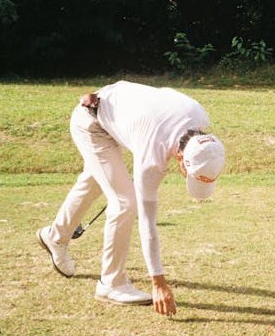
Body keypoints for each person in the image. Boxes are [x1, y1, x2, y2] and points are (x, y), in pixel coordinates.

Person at [36, 80, 225, 317]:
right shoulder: (153, 155)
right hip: (91, 122)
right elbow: (148, 224)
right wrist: (158, 282)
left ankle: (55, 236)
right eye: (191, 175)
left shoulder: (199, 115)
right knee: (125, 202)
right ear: (180, 158)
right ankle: (111, 283)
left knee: (95, 180)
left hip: (111, 112)